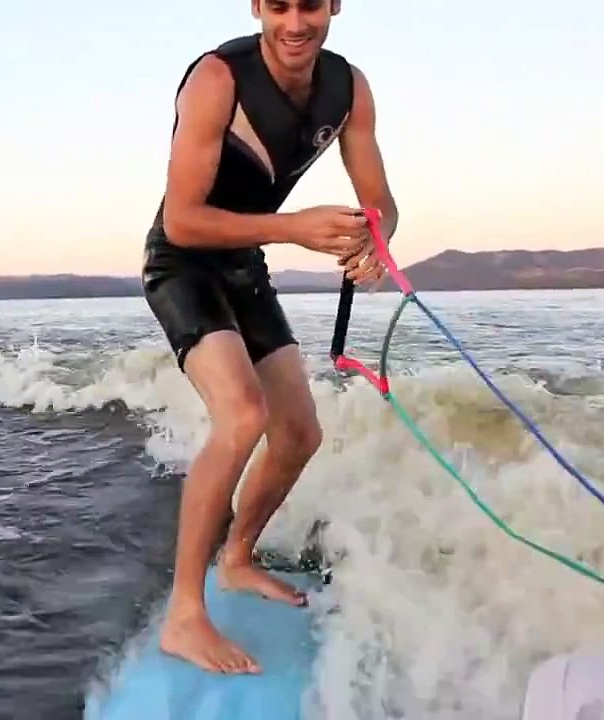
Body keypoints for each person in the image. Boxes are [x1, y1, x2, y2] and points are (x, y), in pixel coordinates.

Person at [141, 0, 400, 674]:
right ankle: (184, 615)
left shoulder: (348, 88)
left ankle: (237, 558)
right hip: (183, 264)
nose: (294, 23)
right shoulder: (217, 79)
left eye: (310, 4)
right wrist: (294, 230)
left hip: (244, 265)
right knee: (243, 415)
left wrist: (376, 237)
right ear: (257, 6)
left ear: (335, 5)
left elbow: (380, 200)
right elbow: (185, 221)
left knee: (299, 433)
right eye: (277, 5)